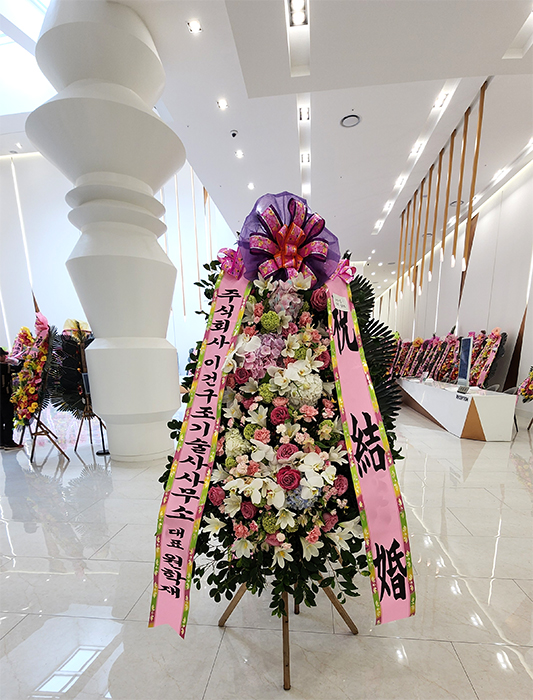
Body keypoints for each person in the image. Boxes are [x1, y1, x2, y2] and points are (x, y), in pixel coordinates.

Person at [0, 347, 22, 450]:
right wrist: (23, 360)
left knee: (0, 420)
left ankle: (1, 442)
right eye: (3, 355)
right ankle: (8, 442)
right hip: (5, 396)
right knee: (8, 419)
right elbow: (18, 368)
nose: (5, 357)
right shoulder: (4, 367)